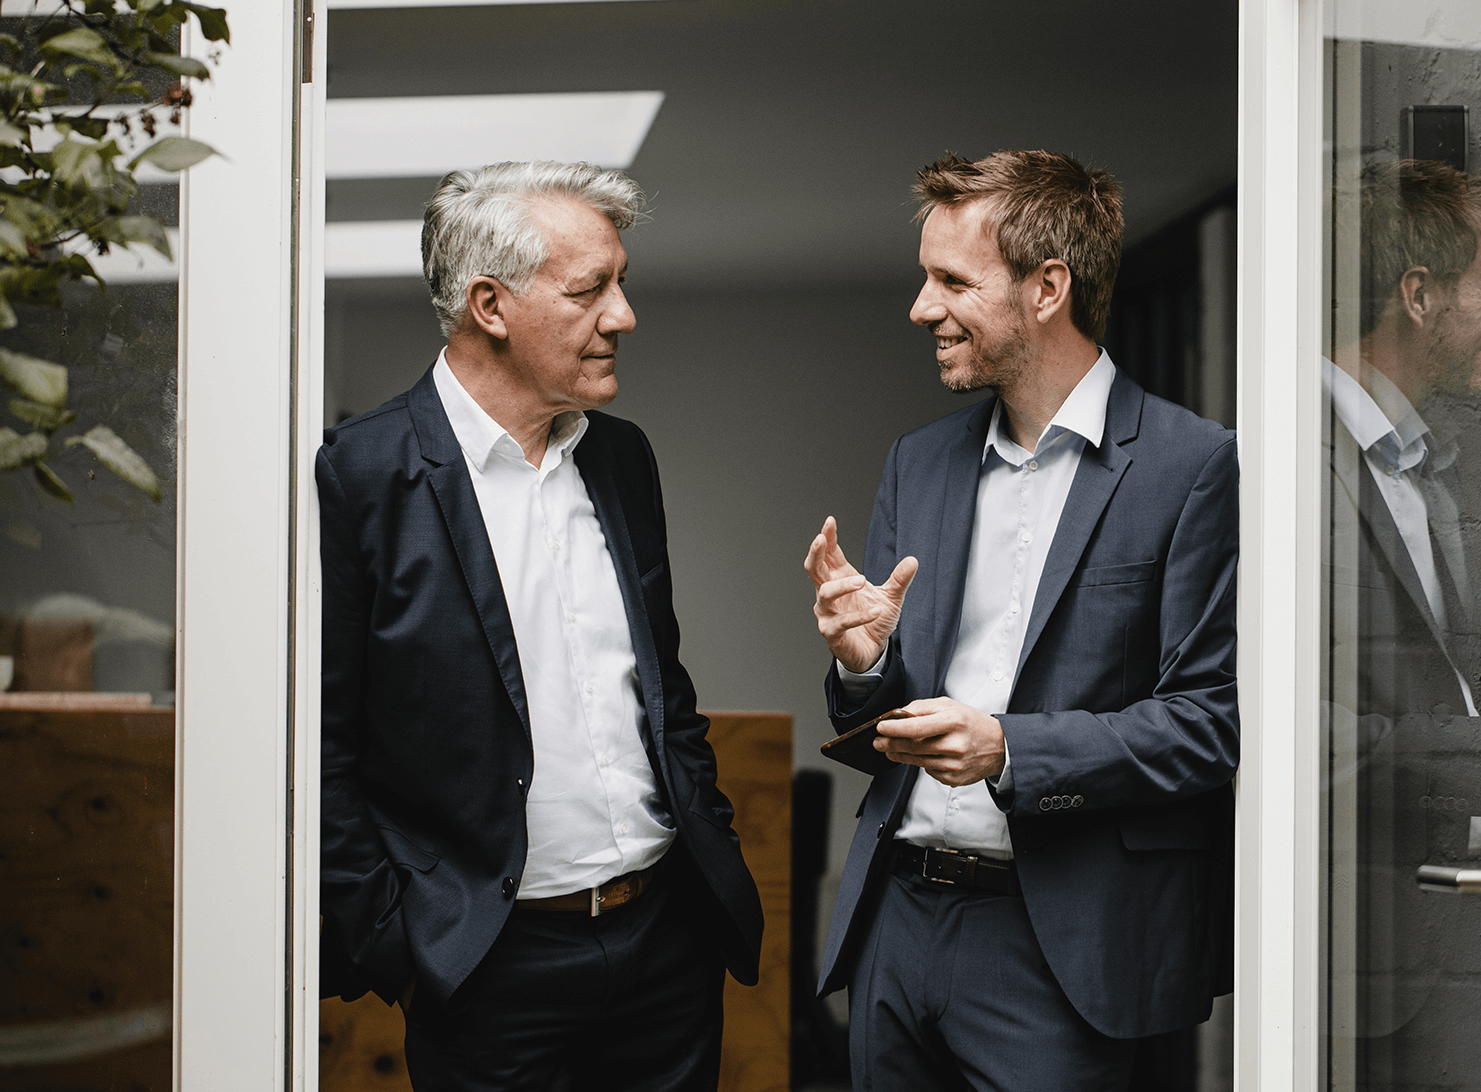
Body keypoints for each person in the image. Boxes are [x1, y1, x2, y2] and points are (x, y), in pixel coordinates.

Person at [317, 161, 762, 1092]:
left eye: (621, 282)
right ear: (490, 304)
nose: (623, 315)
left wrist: (702, 836)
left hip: (662, 943)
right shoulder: (360, 476)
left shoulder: (622, 459)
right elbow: (324, 744)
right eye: (588, 289)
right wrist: (399, 937)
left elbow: (661, 688)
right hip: (486, 963)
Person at [803, 150, 1239, 1091]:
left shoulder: (1192, 466)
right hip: (896, 921)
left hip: (1062, 947)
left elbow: (1210, 723)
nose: (921, 308)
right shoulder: (916, 462)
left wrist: (1009, 747)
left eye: (951, 281)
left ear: (1048, 288)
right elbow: (885, 708)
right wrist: (863, 663)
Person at [1324, 159, 1481, 1082]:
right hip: (1373, 959)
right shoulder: (1280, 458)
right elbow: (1269, 719)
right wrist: (1465, 750)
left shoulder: (1427, 458)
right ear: (1418, 295)